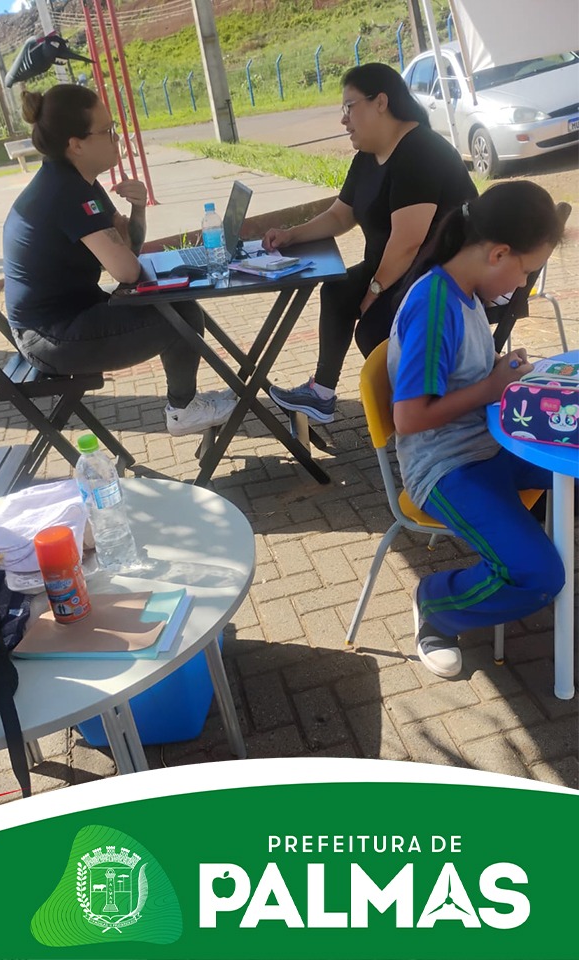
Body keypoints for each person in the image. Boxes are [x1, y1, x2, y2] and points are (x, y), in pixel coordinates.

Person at [388, 181, 565, 679]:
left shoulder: (462, 292)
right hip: (443, 465)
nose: (522, 283)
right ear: (499, 253)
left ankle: (532, 541)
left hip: (487, 442)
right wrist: (492, 386)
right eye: (526, 271)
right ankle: (437, 606)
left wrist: (501, 375)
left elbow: (468, 379)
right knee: (538, 575)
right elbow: (409, 417)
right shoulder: (435, 303)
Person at [1, 84, 236, 436]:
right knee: (180, 316)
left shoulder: (80, 185)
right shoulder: (66, 193)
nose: (116, 139)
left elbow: (129, 251)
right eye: (107, 131)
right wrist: (137, 259)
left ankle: (187, 404)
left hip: (65, 320)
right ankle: (182, 410)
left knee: (177, 304)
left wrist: (137, 209)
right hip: (50, 339)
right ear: (76, 144)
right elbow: (127, 269)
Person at [264, 62, 477, 424]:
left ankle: (427, 415)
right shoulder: (368, 154)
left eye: (349, 107)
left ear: (381, 102)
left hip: (439, 276)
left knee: (373, 329)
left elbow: (409, 242)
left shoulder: (419, 152)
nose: (344, 120)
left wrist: (374, 292)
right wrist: (291, 235)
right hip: (400, 269)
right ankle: (322, 394)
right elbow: (340, 215)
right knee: (337, 290)